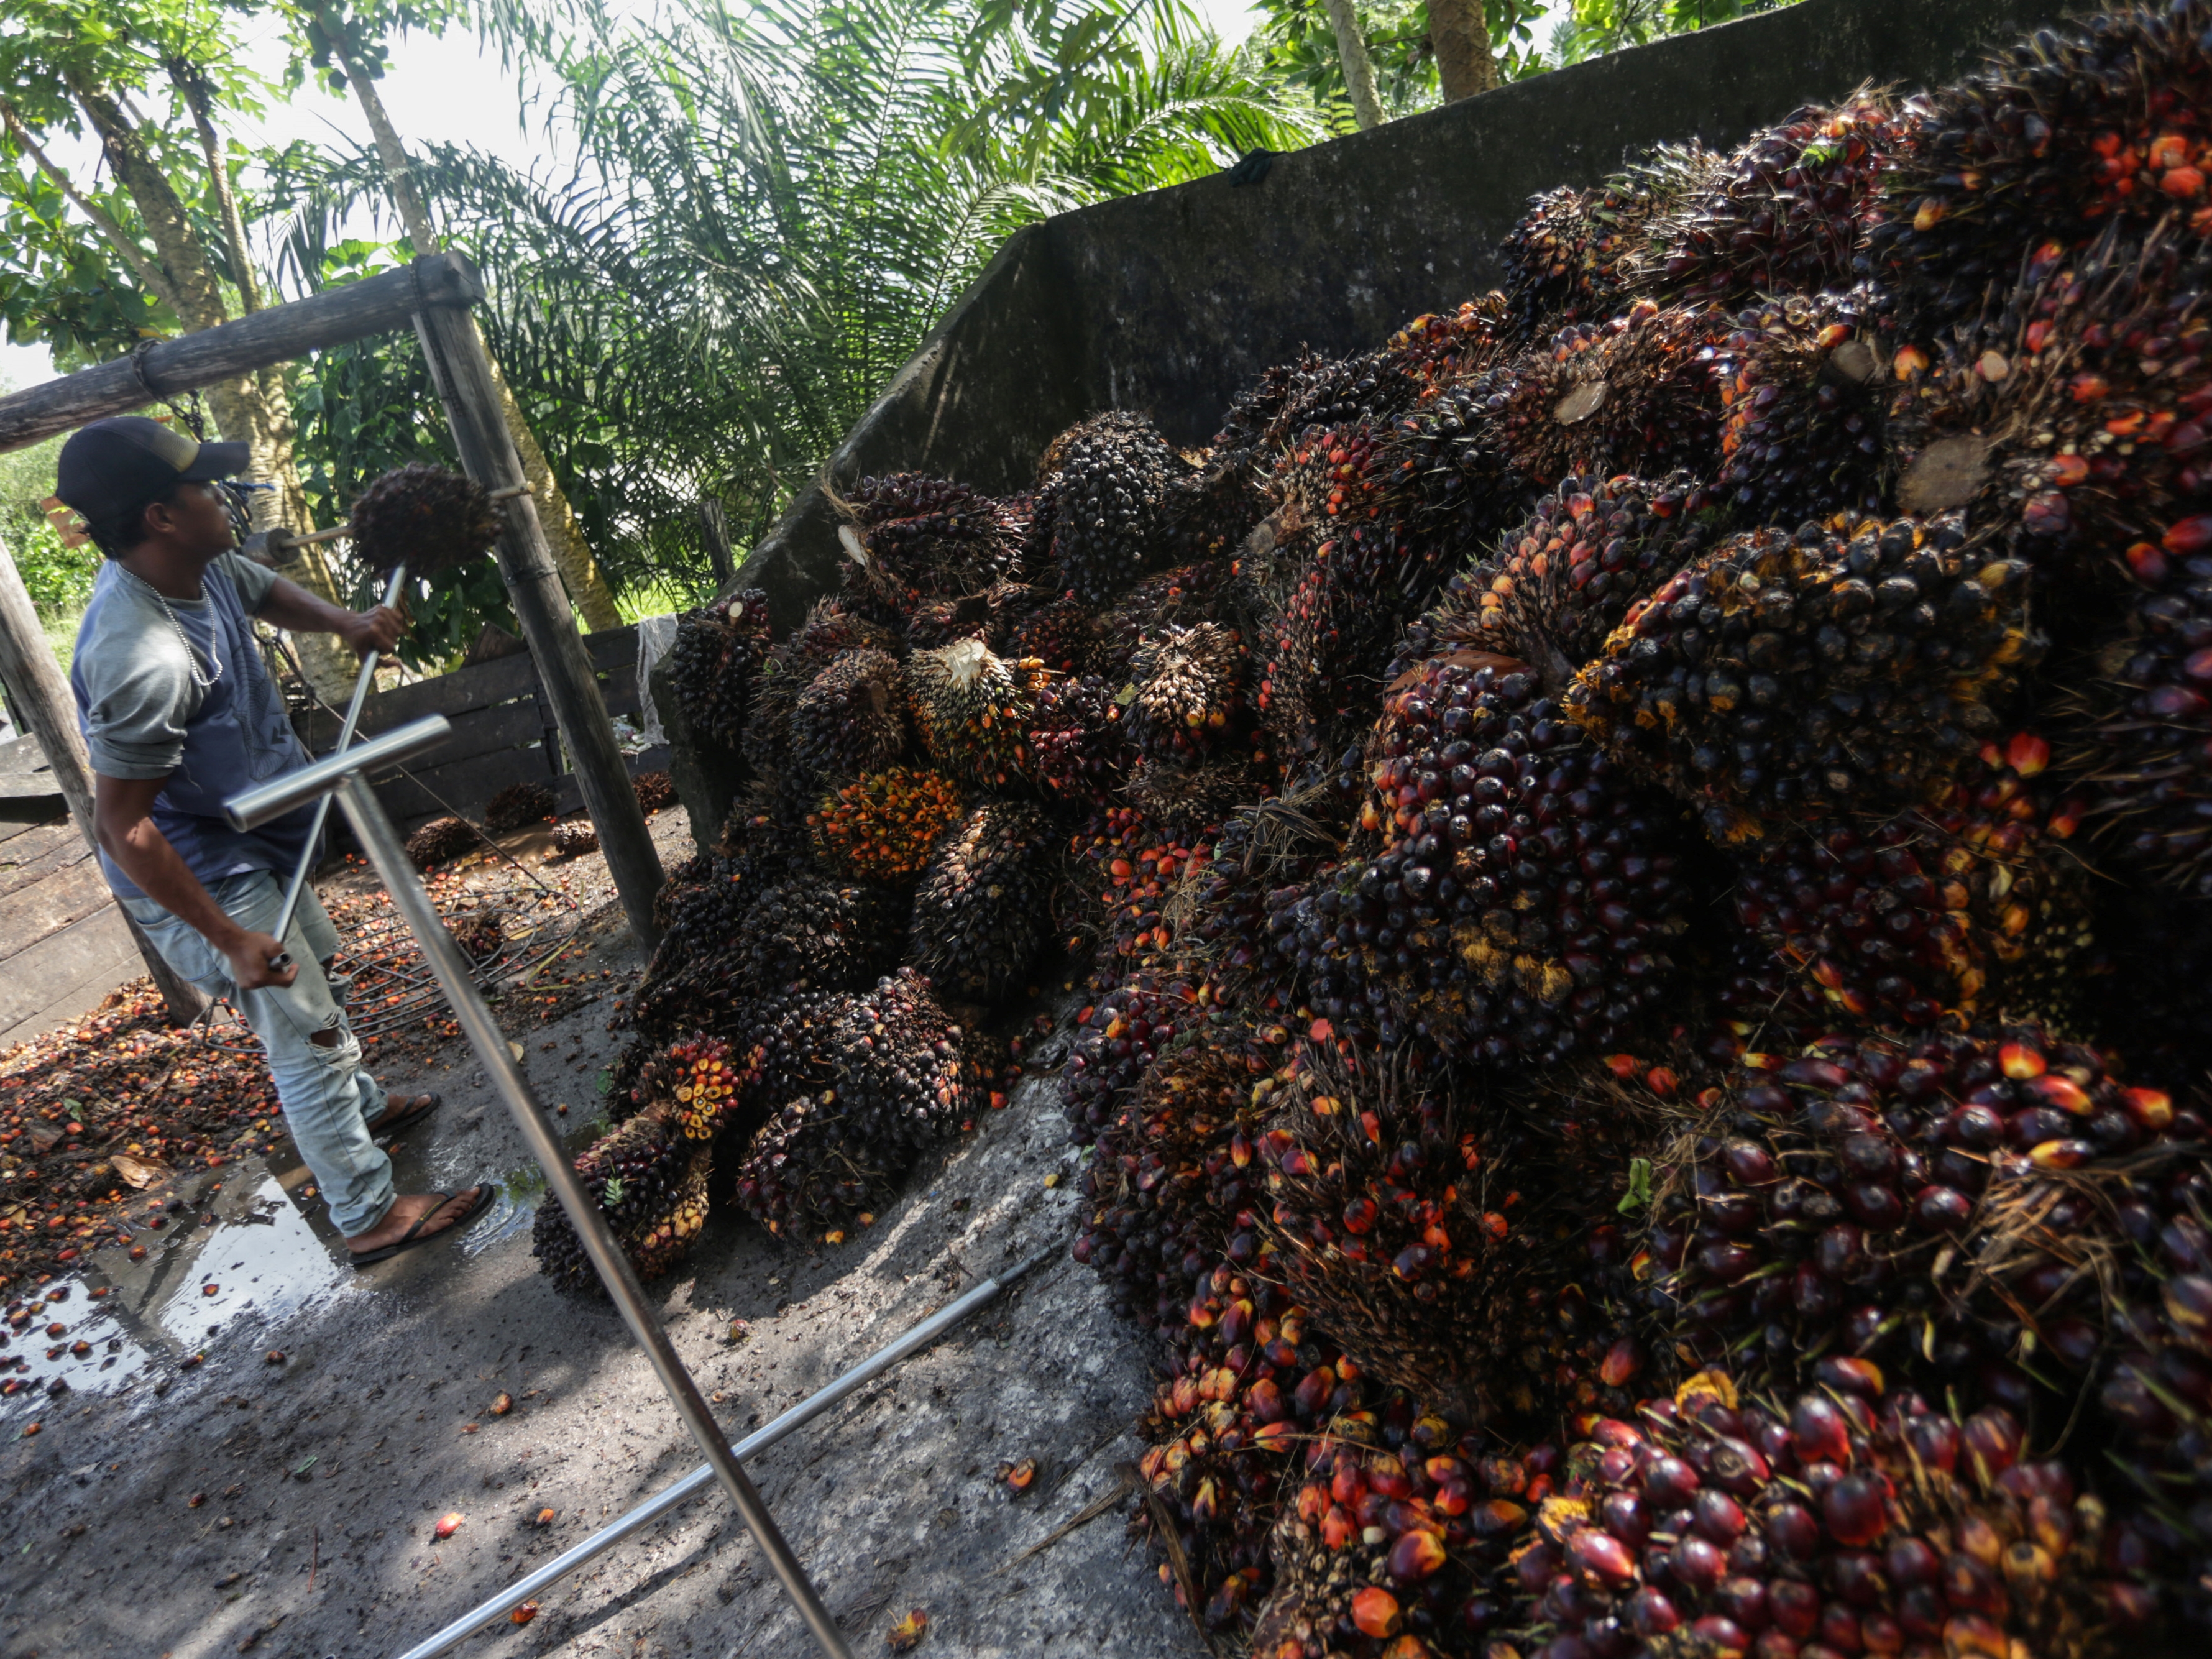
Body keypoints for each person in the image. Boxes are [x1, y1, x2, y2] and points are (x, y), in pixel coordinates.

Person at [58, 416, 489, 1266]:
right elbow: (122, 825)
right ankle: (367, 1212)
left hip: (253, 832)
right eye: (202, 487)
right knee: (302, 1030)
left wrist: (348, 622)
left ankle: (359, 1108)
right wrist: (227, 939)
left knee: (317, 981)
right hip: (199, 869)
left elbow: (259, 589)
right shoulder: (139, 653)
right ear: (160, 517)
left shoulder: (199, 561)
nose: (223, 497)